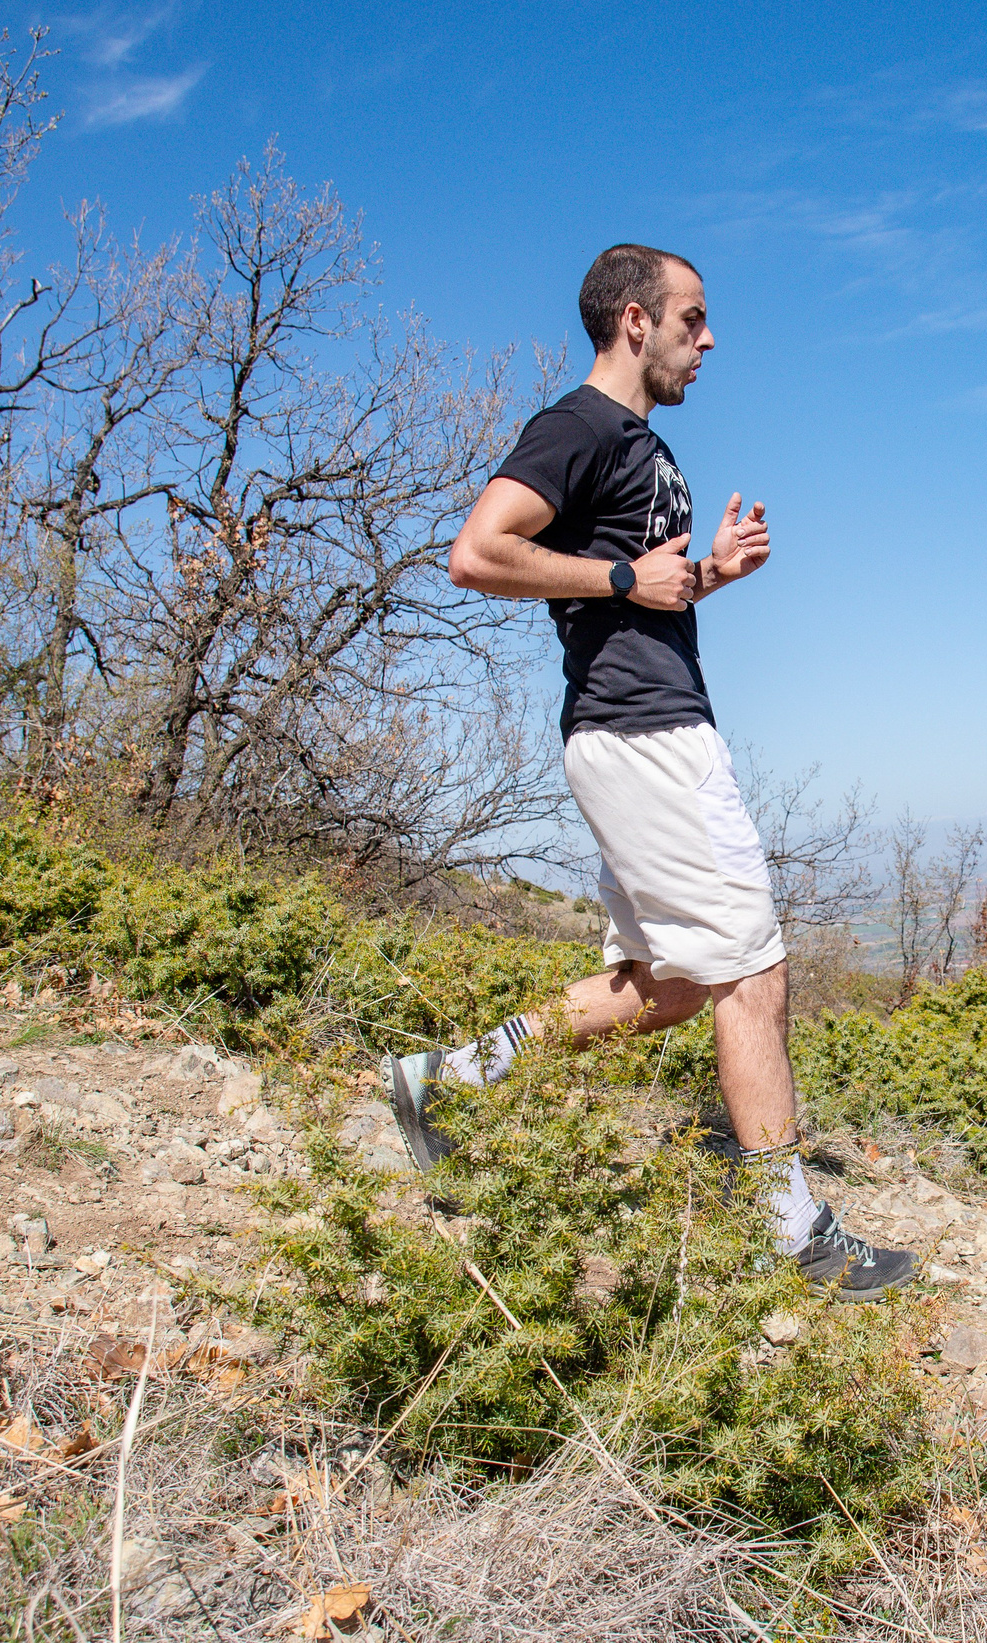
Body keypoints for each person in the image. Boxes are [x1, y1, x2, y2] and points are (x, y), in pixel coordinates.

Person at [385, 244, 915, 1303]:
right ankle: (790, 1233)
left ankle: (444, 1081)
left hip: (642, 728)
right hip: (644, 735)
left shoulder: (642, 445)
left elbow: (629, 601)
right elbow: (477, 553)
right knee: (750, 972)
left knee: (671, 984)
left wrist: (707, 574)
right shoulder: (575, 427)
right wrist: (631, 570)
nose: (708, 340)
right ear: (635, 321)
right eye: (693, 319)